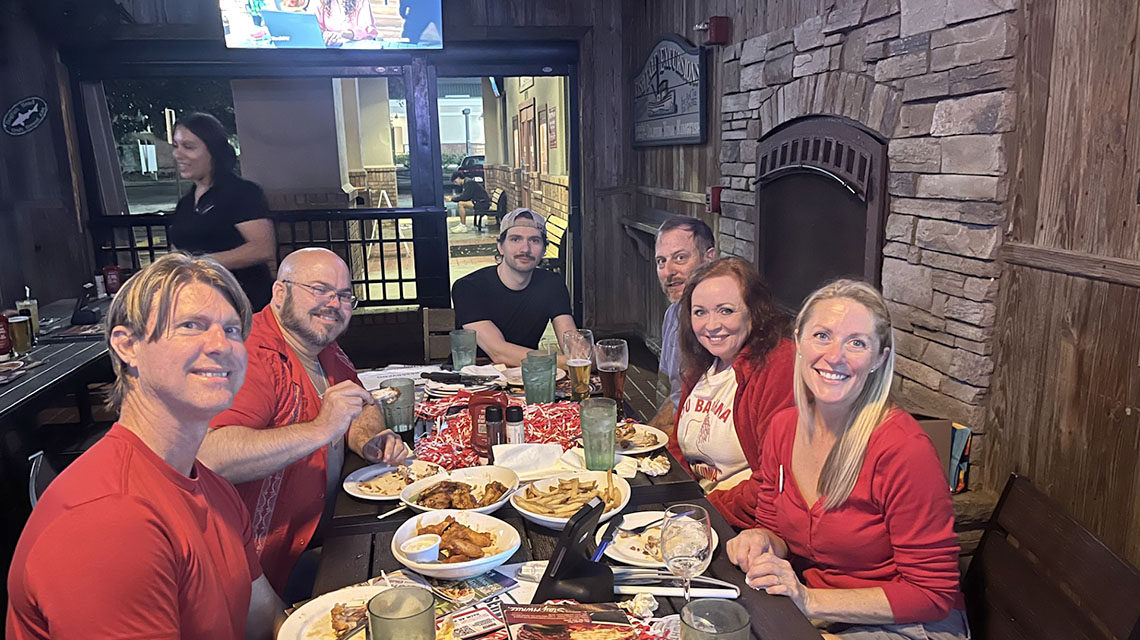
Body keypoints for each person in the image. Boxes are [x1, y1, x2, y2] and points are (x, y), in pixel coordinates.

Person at [7, 252, 284, 639]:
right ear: (127, 345)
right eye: (191, 325)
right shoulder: (108, 520)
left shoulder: (213, 487)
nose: (221, 344)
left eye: (232, 329)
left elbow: (267, 622)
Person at [726, 279, 968, 639]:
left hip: (906, 624)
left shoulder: (904, 449)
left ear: (879, 358)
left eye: (857, 343)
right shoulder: (783, 427)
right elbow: (772, 525)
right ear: (799, 342)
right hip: (819, 609)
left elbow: (932, 595)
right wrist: (759, 539)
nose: (835, 355)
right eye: (822, 336)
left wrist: (809, 600)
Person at [197, 247, 407, 597]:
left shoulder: (322, 345)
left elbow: (359, 402)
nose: (333, 304)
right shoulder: (252, 355)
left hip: (322, 538)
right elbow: (209, 456)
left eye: (343, 296)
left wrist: (369, 438)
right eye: (319, 289)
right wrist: (321, 429)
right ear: (280, 293)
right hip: (259, 577)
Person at [665, 257, 795, 528]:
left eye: (725, 311)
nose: (711, 325)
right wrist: (678, 502)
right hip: (700, 510)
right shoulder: (702, 362)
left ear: (754, 312)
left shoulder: (778, 363)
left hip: (743, 526)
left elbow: (773, 481)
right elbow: (677, 447)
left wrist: (702, 513)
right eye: (700, 312)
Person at [169, 112, 276, 311]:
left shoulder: (242, 193)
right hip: (199, 302)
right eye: (176, 146)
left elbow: (262, 248)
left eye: (188, 147)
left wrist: (199, 264)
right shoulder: (185, 203)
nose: (178, 154)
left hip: (243, 301)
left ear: (213, 151)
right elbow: (178, 250)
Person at [451, 208, 576, 367]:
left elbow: (571, 341)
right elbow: (498, 352)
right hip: (476, 377)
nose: (525, 249)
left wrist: (591, 355)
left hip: (526, 375)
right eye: (515, 239)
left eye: (534, 240)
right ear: (500, 246)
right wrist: (566, 363)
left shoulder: (551, 284)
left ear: (544, 250)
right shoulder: (469, 287)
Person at [648, 216, 717, 433]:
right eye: (661, 261)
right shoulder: (673, 313)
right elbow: (674, 396)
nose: (668, 271)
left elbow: (709, 420)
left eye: (680, 258)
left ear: (709, 258)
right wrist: (648, 433)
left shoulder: (720, 328)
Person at [313, 0, 378, 45]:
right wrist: (325, 35)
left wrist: (344, 35)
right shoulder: (321, 2)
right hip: (330, 48)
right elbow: (316, 29)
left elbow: (370, 31)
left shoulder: (361, 1)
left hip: (354, 50)